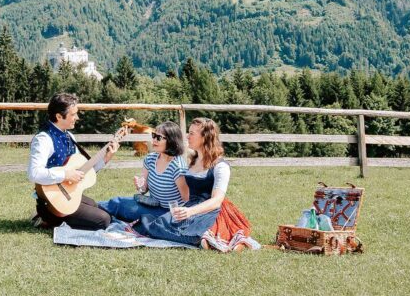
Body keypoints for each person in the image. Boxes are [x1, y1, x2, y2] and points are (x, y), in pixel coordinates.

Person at [133, 117, 250, 249]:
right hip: (189, 206)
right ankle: (198, 239)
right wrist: (144, 186)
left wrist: (190, 211)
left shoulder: (220, 166)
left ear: (205, 137)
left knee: (186, 231)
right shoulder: (192, 160)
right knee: (155, 225)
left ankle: (204, 238)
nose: (188, 137)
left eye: (192, 133)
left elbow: (217, 200)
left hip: (210, 210)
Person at [28, 92, 118, 230]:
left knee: (97, 207)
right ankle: (48, 219)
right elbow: (34, 174)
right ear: (59, 116)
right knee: (103, 220)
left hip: (67, 195)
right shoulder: (43, 139)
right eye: (73, 114)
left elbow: (83, 172)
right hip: (50, 202)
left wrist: (106, 157)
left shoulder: (69, 136)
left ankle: (52, 219)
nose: (77, 117)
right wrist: (66, 175)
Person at [99, 121, 187, 222]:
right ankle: (90, 209)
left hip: (168, 213)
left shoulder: (178, 167)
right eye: (153, 135)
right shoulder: (150, 159)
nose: (154, 140)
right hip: (151, 205)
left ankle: (93, 212)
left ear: (171, 141)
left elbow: (187, 199)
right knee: (117, 202)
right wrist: (140, 185)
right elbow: (143, 190)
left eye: (158, 138)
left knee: (120, 205)